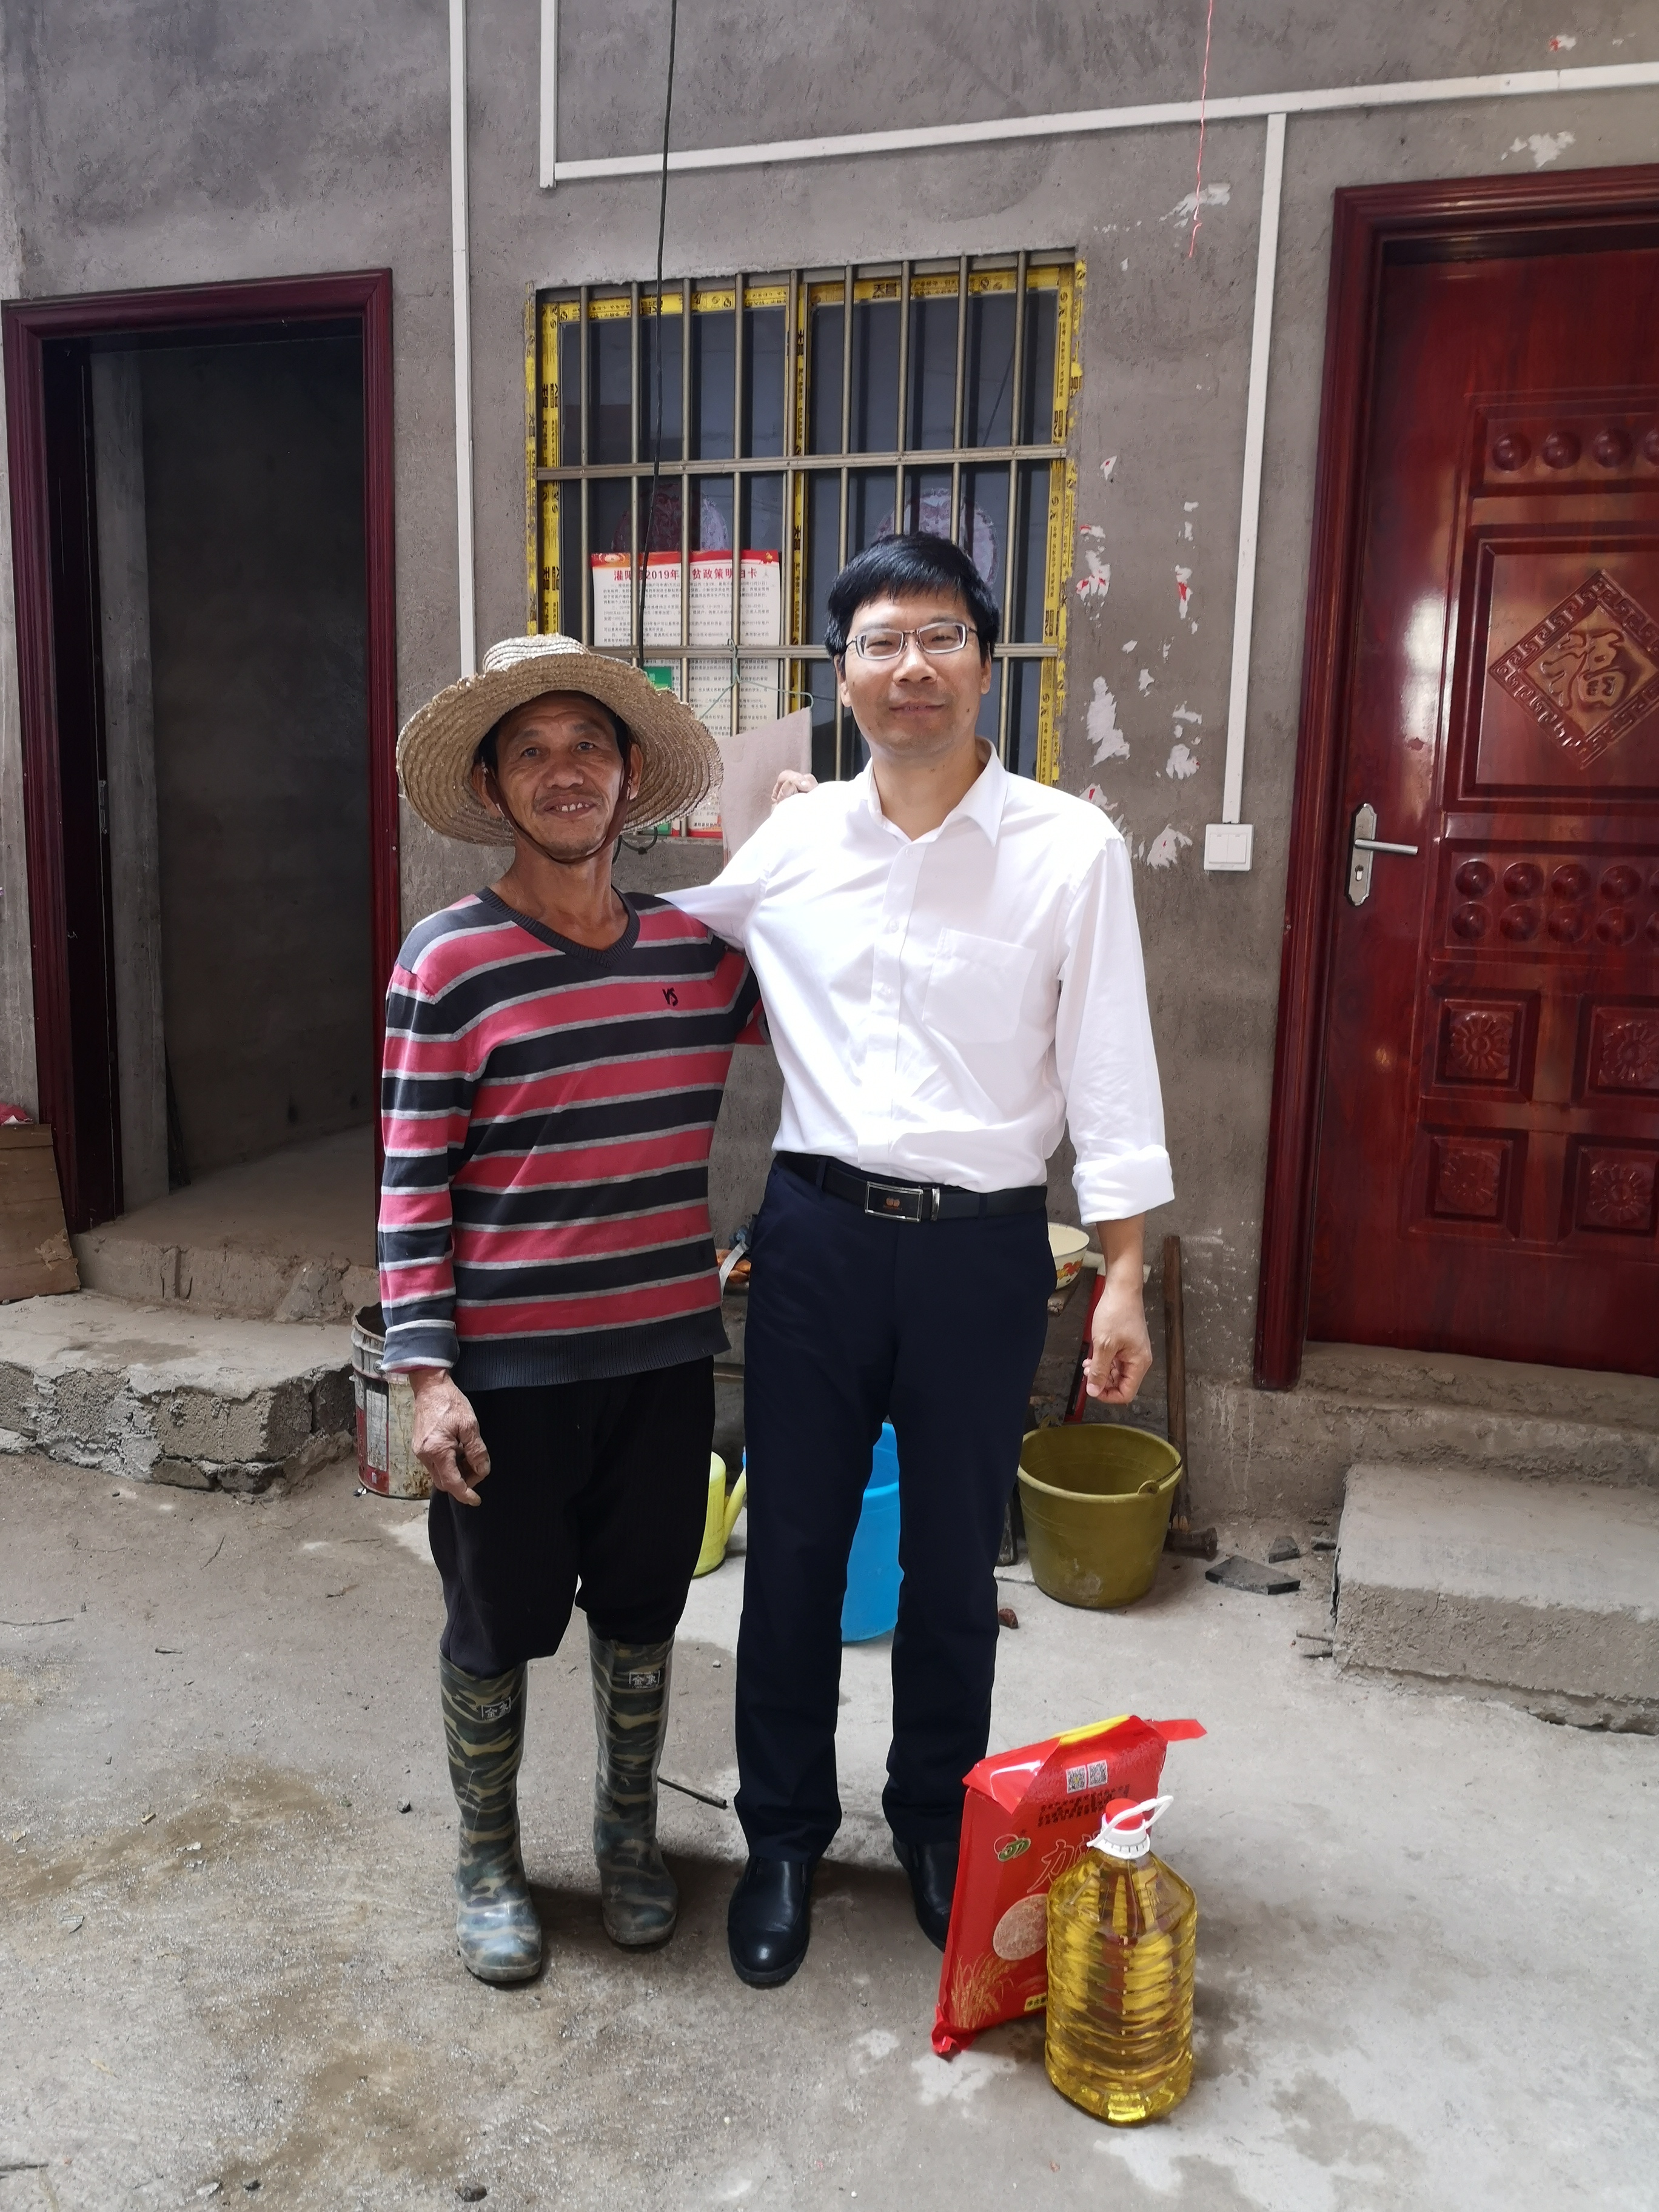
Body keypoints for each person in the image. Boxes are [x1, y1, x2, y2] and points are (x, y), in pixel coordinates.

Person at [665, 533, 1173, 1988]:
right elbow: (667, 960)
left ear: (985, 662)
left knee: (954, 1563)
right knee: (793, 1556)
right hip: (816, 1241)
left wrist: (1123, 1275)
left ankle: (937, 1822)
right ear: (842, 677)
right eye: (881, 642)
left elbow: (1112, 1074)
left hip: (984, 1252)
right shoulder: (796, 844)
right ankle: (781, 1836)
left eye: (940, 636)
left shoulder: (1068, 848)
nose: (911, 667)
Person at [380, 634, 759, 1985]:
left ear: (630, 775)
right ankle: (488, 1859)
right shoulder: (448, 962)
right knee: (496, 1624)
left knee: (646, 1611)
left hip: (662, 1359)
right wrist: (428, 1378)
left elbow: (847, 1011)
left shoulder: (700, 953)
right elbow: (411, 1178)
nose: (564, 772)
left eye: (588, 745)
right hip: (508, 1379)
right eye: (531, 751)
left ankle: (627, 1835)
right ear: (492, 787)